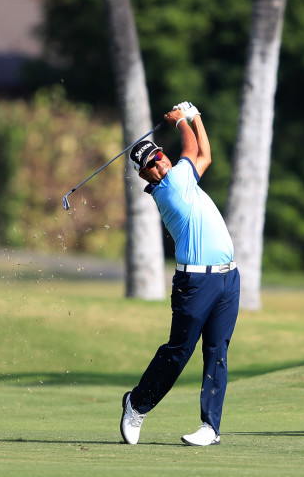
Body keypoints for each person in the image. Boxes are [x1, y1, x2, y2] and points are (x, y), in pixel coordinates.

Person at [120, 101, 240, 447]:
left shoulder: (183, 179)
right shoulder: (171, 188)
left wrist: (197, 114)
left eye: (158, 157)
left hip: (227, 279)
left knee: (217, 351)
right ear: (144, 175)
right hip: (196, 283)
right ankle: (136, 404)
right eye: (149, 165)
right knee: (178, 352)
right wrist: (181, 121)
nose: (157, 164)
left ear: (163, 157)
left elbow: (206, 156)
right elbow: (191, 147)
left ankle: (210, 428)